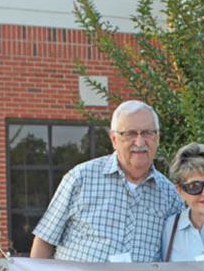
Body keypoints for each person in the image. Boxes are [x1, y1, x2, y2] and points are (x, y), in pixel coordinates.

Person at [30, 100, 182, 262]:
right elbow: (44, 241)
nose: (139, 142)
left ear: (157, 138)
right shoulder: (81, 178)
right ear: (114, 139)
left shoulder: (170, 195)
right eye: (130, 133)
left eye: (147, 133)